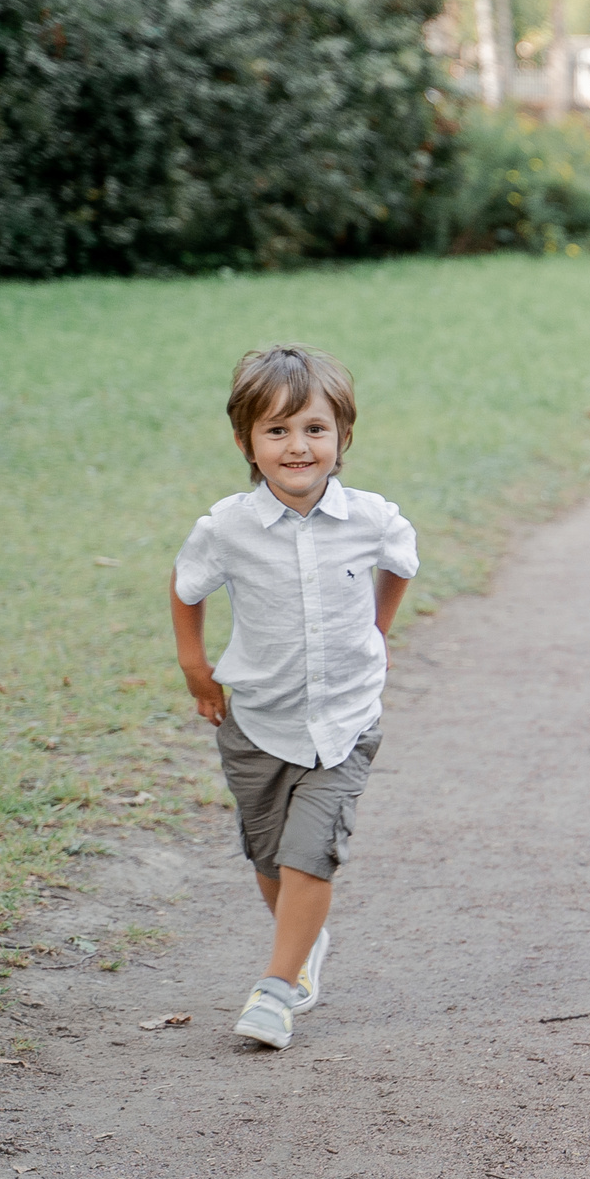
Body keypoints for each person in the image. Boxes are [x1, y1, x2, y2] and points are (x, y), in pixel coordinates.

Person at [170, 345, 417, 1051]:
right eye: (276, 430)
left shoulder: (371, 516)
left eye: (314, 428)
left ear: (342, 435)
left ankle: (276, 989)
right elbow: (186, 589)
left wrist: (378, 627)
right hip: (255, 721)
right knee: (270, 856)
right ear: (246, 441)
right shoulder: (226, 526)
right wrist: (195, 665)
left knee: (311, 852)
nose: (298, 445)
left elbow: (401, 562)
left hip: (344, 719)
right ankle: (303, 941)